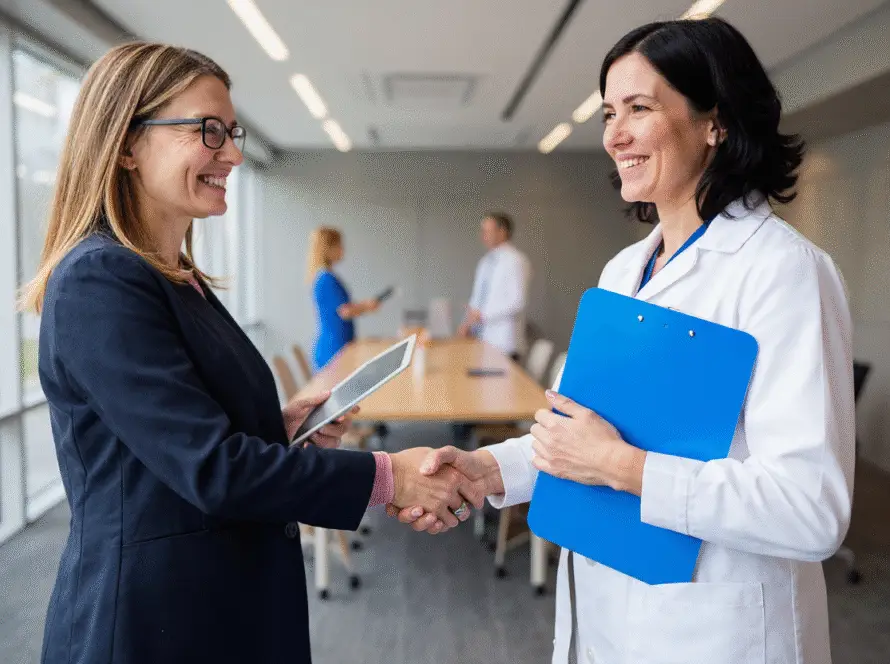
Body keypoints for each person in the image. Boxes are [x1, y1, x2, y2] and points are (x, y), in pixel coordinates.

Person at [392, 17, 854, 664]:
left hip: (716, 632)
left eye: (640, 108)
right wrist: (488, 469)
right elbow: (584, 435)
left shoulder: (783, 270)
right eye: (609, 112)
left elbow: (811, 510)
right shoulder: (624, 272)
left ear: (714, 121)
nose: (614, 135)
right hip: (608, 616)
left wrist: (620, 467)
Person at [20, 42, 483, 664]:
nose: (233, 153)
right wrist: (390, 476)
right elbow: (212, 468)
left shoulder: (175, 277)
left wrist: (280, 428)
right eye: (208, 131)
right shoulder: (100, 280)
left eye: (231, 132)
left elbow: (180, 435)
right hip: (153, 622)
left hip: (218, 598)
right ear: (126, 144)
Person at [457, 212, 531, 360]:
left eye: (487, 231)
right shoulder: (486, 262)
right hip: (484, 339)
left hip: (505, 342)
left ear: (502, 231)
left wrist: (483, 315)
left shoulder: (515, 261)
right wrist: (468, 323)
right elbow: (478, 297)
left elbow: (517, 301)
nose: (482, 235)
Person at [306, 227, 381, 370]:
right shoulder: (326, 279)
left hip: (338, 346)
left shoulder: (324, 277)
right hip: (333, 351)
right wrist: (366, 306)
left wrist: (364, 306)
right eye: (339, 246)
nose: (343, 250)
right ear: (328, 248)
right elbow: (345, 311)